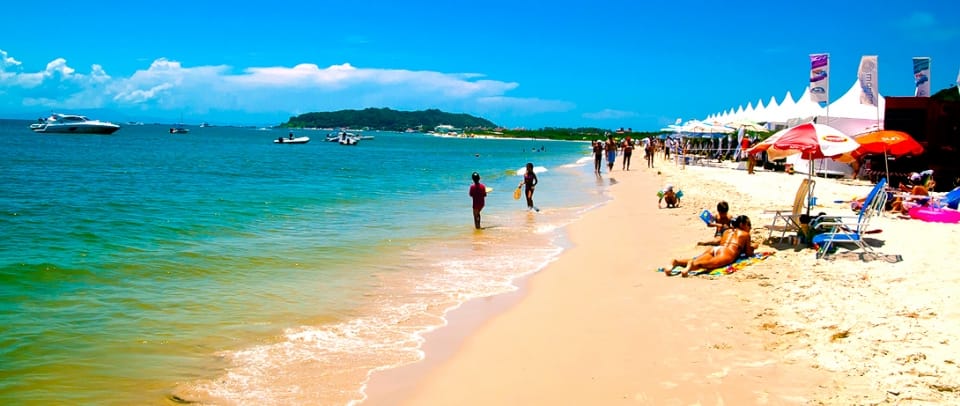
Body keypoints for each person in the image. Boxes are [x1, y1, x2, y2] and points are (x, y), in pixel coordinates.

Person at [667, 215, 757, 277]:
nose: (750, 227)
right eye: (749, 225)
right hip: (727, 252)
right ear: (742, 224)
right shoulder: (745, 234)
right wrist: (754, 247)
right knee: (709, 264)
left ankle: (677, 261)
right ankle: (691, 265)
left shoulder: (727, 231)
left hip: (716, 249)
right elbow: (748, 253)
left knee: (702, 259)